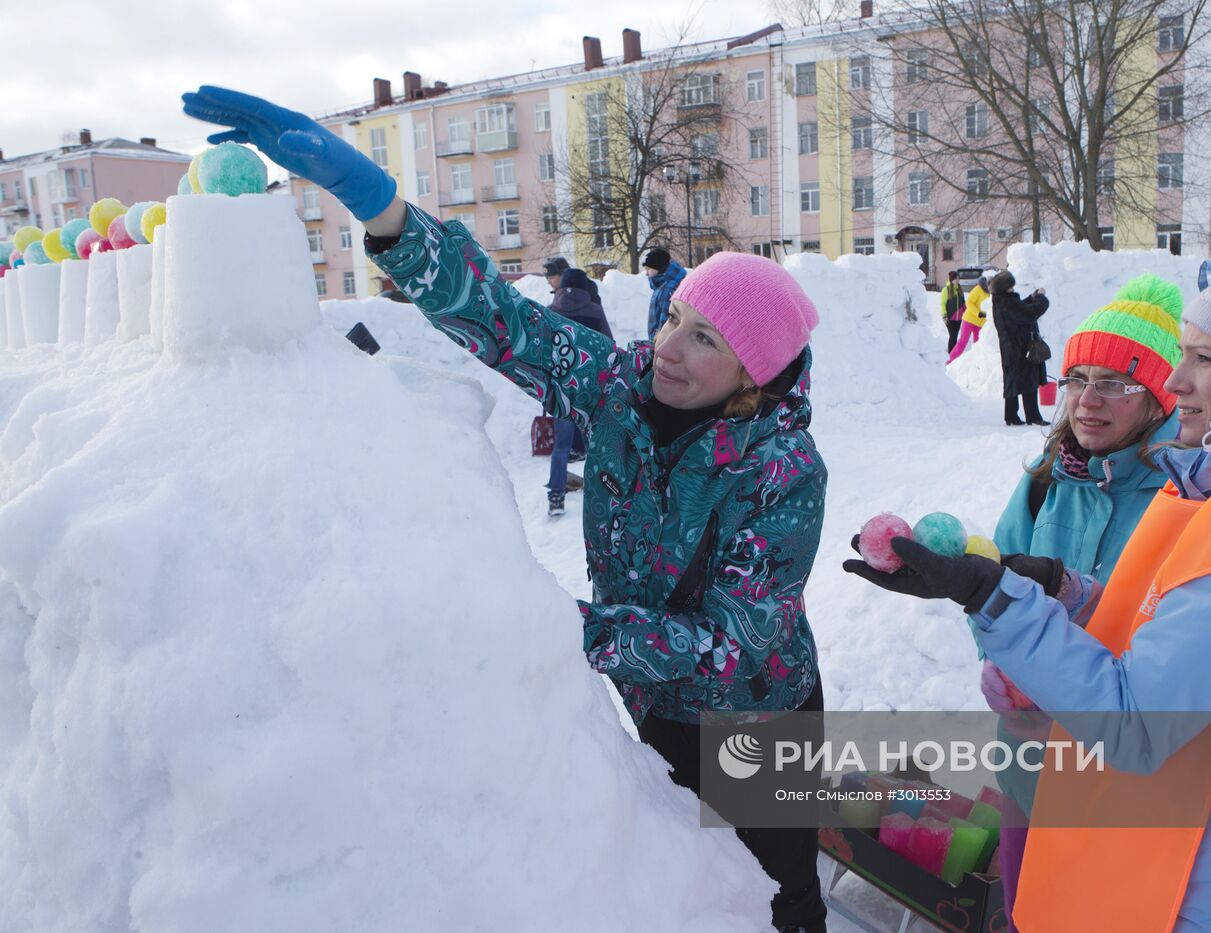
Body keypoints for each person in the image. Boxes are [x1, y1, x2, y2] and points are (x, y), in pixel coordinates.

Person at [182, 85, 831, 932]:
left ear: (754, 370)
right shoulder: (620, 390)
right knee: (690, 887)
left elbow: (724, 646)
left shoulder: (783, 469)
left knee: (776, 894)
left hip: (760, 715)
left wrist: (561, 628)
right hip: (655, 706)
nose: (666, 348)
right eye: (673, 318)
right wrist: (380, 208)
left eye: (704, 338)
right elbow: (499, 321)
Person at [846, 256, 1211, 932]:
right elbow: (1157, 630)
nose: (1178, 378)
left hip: (1195, 893)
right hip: (1150, 845)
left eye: (1204, 359)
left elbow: (1136, 721)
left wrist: (1000, 600)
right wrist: (1058, 589)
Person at [982, 274, 1184, 929]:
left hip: (1121, 785)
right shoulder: (1046, 482)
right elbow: (994, 590)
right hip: (1028, 768)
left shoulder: (1185, 500)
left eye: (1114, 384)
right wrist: (1004, 670)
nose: (1087, 402)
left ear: (1157, 399)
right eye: (1075, 380)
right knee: (1025, 911)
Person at [545, 269, 613, 515]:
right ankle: (599, 496)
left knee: (561, 447)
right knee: (593, 446)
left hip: (561, 388)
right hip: (589, 389)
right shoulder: (595, 312)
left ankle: (555, 498)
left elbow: (542, 351)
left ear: (561, 287)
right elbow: (609, 348)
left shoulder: (550, 313)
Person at [990, 270, 1050, 426]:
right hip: (1020, 347)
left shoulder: (1000, 302)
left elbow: (1021, 307)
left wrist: (1031, 297)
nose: (1013, 288)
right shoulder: (1009, 303)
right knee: (1028, 380)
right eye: (1011, 286)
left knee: (1012, 380)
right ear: (1007, 288)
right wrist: (1041, 298)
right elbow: (1031, 313)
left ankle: (1011, 416)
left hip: (1009, 347)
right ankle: (1033, 417)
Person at [644, 247, 687, 341]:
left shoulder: (667, 289)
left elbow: (665, 326)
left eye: (648, 269)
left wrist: (657, 344)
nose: (646, 273)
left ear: (659, 268)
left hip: (661, 344)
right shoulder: (661, 285)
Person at [948, 272, 988, 364]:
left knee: (978, 344)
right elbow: (969, 302)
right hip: (969, 319)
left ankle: (976, 363)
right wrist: (978, 313)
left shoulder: (992, 292)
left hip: (981, 323)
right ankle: (950, 361)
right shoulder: (978, 289)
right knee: (963, 342)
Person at [939, 270, 965, 355]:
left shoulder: (959, 289)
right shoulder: (946, 290)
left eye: (958, 278)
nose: (958, 280)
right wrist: (945, 316)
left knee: (955, 336)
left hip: (959, 318)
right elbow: (943, 304)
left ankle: (954, 353)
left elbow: (963, 303)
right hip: (950, 318)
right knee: (952, 336)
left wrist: (966, 312)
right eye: (956, 278)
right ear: (952, 279)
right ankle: (951, 354)